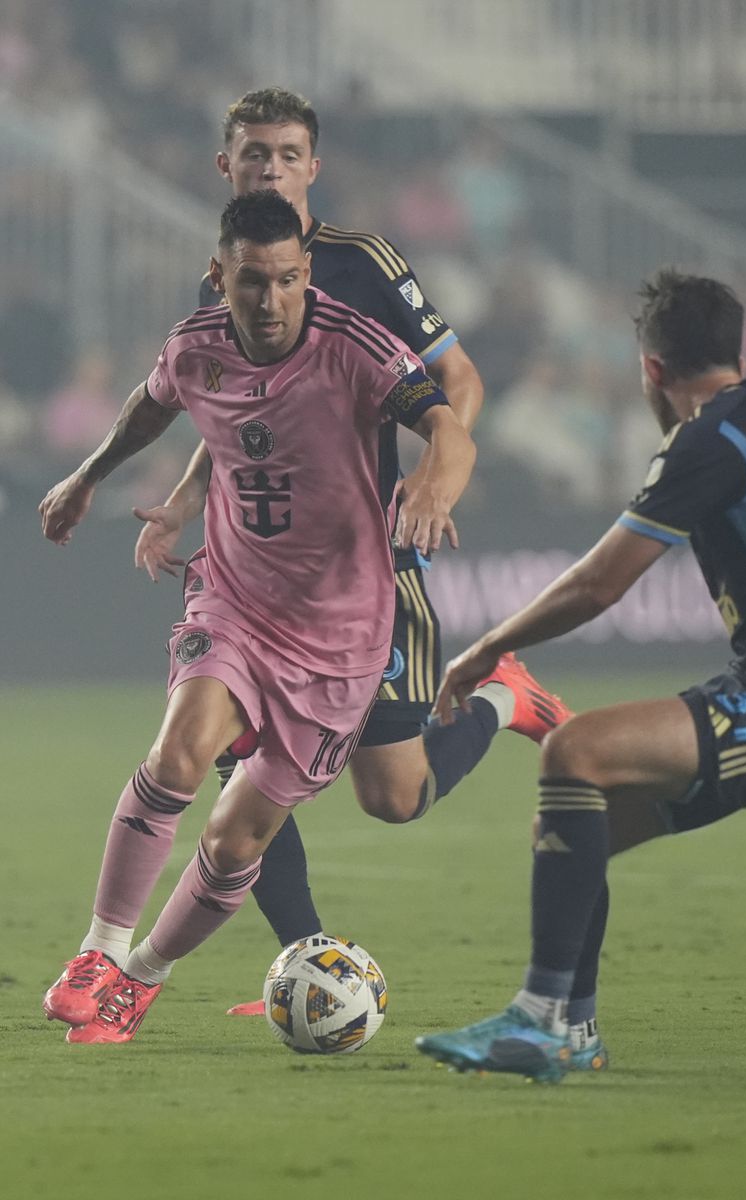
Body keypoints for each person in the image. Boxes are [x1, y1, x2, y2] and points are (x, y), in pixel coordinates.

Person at [134, 87, 573, 1014]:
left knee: (395, 796)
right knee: (236, 756)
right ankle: (305, 958)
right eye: (255, 152)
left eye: (289, 153)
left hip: (362, 567)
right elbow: (231, 415)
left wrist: (435, 474)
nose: (271, 168)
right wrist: (179, 502)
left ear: (314, 166)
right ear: (227, 165)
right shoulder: (228, 270)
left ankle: (503, 697)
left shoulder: (362, 264)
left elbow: (458, 377)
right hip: (251, 574)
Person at [38, 190, 476, 1044]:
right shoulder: (195, 345)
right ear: (219, 275)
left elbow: (449, 427)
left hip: (343, 637)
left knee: (239, 836)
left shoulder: (356, 345)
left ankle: (141, 980)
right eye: (250, 282)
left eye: (284, 281)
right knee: (177, 753)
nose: (269, 301)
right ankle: (99, 950)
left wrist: (431, 482)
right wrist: (89, 475)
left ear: (305, 273)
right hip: (237, 598)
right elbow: (153, 401)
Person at [416, 268, 746, 1081]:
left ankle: (541, 1018)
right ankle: (574, 1026)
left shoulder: (709, 439)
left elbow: (597, 583)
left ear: (652, 369)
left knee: (575, 751)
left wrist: (487, 647)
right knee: (582, 826)